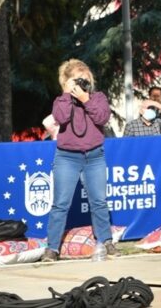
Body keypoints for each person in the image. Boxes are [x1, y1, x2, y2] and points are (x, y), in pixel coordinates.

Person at [41, 59, 117, 262]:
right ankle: (52, 249)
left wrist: (85, 99)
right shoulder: (61, 100)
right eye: (77, 78)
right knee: (60, 204)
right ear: (67, 81)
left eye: (86, 77)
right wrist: (68, 94)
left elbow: (102, 118)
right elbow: (62, 117)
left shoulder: (98, 97)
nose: (83, 81)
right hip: (67, 157)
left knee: (99, 202)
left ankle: (106, 242)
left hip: (94, 156)